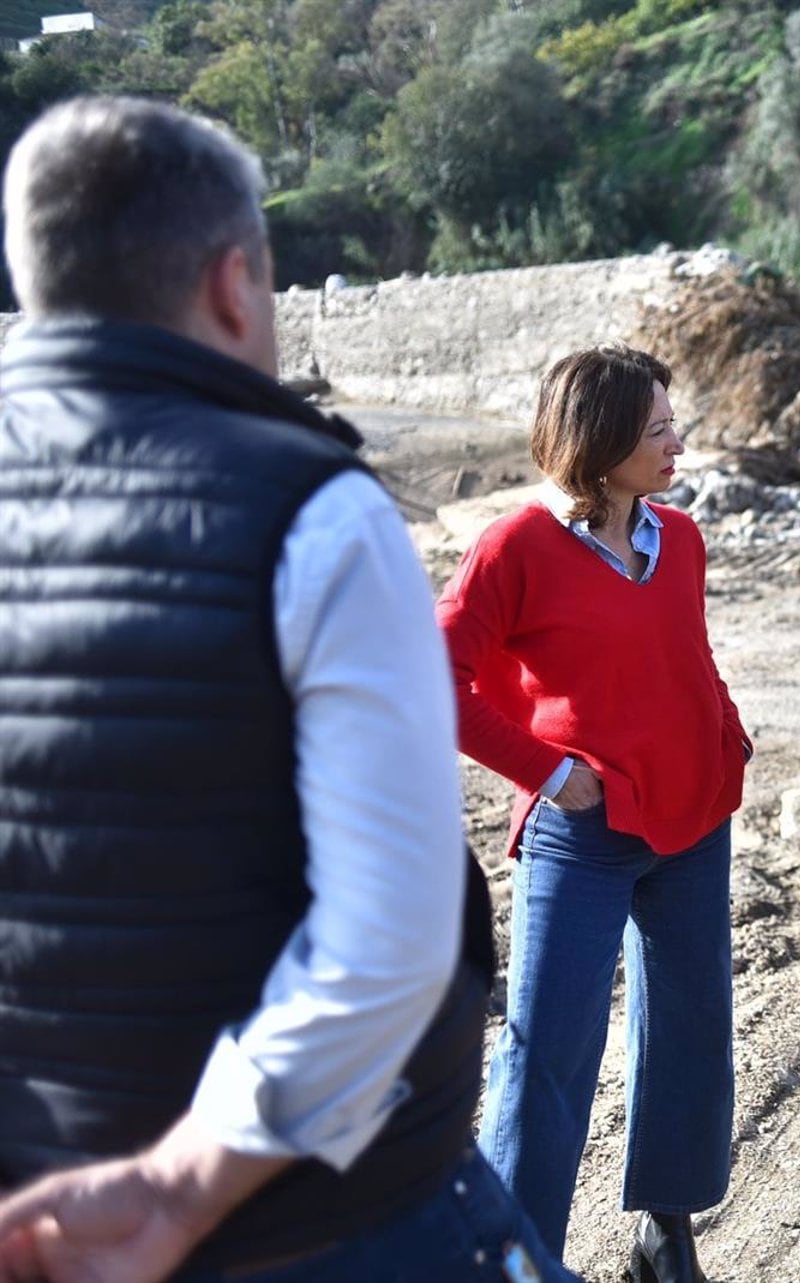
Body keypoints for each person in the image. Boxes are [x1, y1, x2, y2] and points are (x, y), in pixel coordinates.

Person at [0, 97, 576, 1282]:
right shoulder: (308, 508)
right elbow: (388, 940)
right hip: (322, 1221)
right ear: (232, 283)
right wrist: (183, 1180)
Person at [437, 342, 748, 1283]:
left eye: (671, 423)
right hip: (585, 835)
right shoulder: (515, 547)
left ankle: (668, 1231)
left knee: (693, 1028)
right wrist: (543, 768)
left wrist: (727, 730)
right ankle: (513, 1257)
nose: (677, 441)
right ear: (602, 439)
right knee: (548, 1051)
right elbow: (433, 676)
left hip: (696, 816)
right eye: (658, 429)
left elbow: (683, 659)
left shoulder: (679, 537)